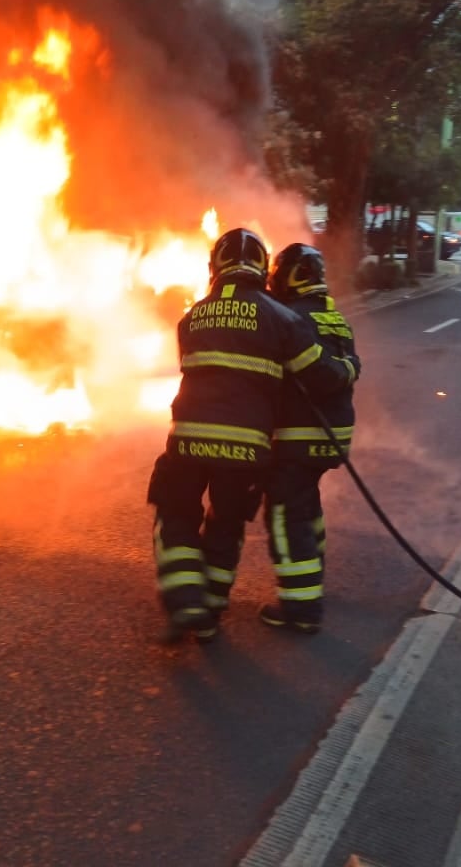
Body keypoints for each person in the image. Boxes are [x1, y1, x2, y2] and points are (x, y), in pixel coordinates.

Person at [146, 227, 355, 644]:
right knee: (226, 521)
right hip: (248, 448)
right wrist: (346, 367)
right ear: (263, 267)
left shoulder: (192, 316)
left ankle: (189, 602)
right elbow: (317, 374)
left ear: (216, 267)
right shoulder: (283, 319)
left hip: (188, 439)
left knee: (176, 511)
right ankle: (213, 602)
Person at [260, 243, 360, 635]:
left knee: (285, 513)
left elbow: (314, 375)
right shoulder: (335, 317)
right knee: (307, 506)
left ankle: (301, 606)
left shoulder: (292, 320)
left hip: (299, 435)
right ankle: (312, 579)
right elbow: (346, 366)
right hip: (332, 436)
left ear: (291, 276)